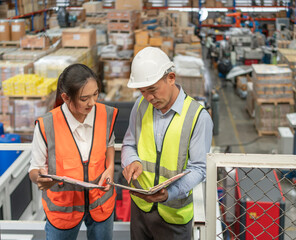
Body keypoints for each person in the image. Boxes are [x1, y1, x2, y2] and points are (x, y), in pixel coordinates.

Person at [121, 47, 213, 240]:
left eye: (153, 90)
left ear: (171, 78)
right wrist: (132, 161)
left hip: (174, 216)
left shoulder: (197, 117)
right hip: (140, 208)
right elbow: (129, 144)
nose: (148, 97)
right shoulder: (139, 106)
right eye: (143, 91)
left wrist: (169, 193)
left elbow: (199, 168)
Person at [28, 63, 118, 240]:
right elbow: (34, 169)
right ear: (66, 97)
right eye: (84, 98)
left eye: (95, 94)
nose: (92, 103)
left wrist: (109, 169)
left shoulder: (104, 114)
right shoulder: (47, 125)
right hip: (63, 211)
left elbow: (110, 143)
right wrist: (40, 178)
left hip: (100, 204)